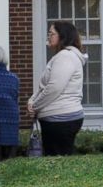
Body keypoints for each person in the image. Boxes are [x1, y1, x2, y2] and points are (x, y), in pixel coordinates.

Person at [28, 21, 86, 155]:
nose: (48, 36)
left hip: (60, 118)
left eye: (52, 33)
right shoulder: (63, 56)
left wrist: (35, 106)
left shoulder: (65, 56)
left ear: (63, 37)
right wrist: (32, 101)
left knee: (57, 163)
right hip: (60, 117)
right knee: (59, 161)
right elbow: (45, 87)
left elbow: (54, 88)